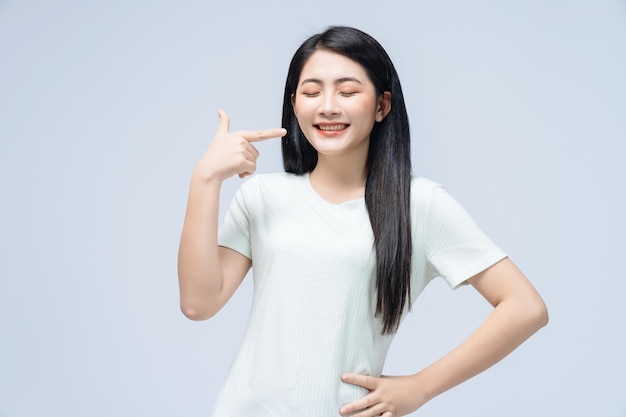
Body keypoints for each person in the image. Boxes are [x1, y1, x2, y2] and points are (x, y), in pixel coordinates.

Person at [178, 25, 548, 417]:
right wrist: (205, 180)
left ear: (382, 105)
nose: (328, 106)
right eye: (311, 92)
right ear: (294, 104)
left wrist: (420, 387)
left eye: (348, 91)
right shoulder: (263, 197)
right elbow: (198, 304)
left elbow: (526, 307)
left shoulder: (418, 204)